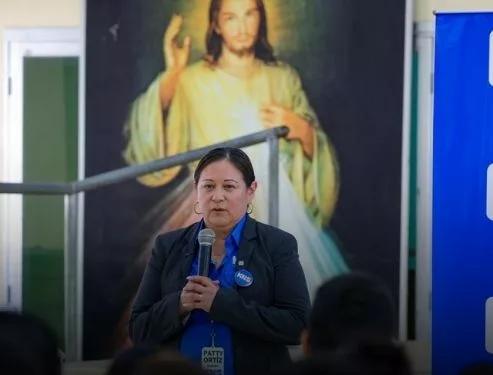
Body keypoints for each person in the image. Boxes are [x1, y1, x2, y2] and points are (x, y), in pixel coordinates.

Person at [122, 0, 348, 298]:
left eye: (249, 15)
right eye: (231, 17)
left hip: (281, 208)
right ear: (216, 24)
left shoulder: (282, 78)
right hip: (215, 208)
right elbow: (154, 150)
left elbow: (314, 151)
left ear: (261, 18)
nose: (241, 27)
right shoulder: (193, 80)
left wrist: (300, 128)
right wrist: (173, 75)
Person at [129, 147, 311, 375]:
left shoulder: (277, 245)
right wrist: (178, 304)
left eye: (229, 186)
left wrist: (222, 304)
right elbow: (139, 328)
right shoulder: (168, 246)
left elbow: (296, 325)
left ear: (251, 191)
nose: (217, 197)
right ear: (196, 190)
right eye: (208, 186)